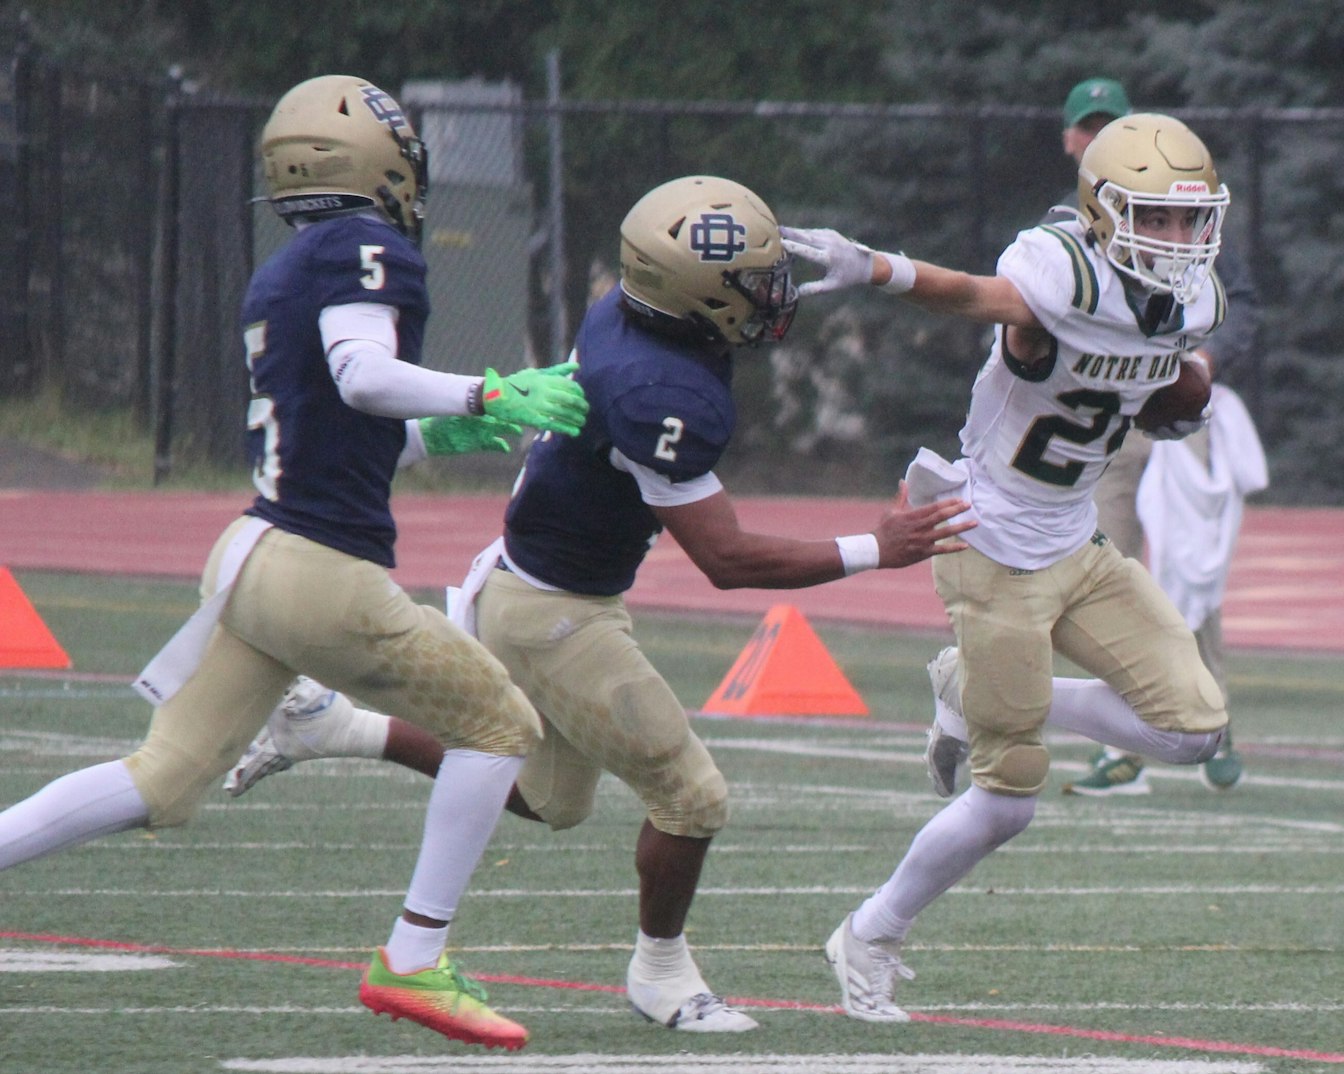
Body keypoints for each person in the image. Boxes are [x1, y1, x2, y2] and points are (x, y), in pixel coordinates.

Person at [221, 175, 976, 1033]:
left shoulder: (631, 311)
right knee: (694, 796)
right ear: (693, 298)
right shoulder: (664, 394)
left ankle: (334, 727)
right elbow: (725, 558)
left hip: (526, 580)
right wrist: (879, 548)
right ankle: (662, 974)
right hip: (555, 613)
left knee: (551, 800)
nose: (772, 296)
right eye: (753, 282)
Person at [0, 75, 593, 1051]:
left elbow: (341, 419)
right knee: (501, 724)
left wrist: (446, 435)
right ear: (379, 164)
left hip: (253, 552)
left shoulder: (285, 268)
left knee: (163, 779)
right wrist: (485, 396)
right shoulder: (370, 249)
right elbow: (363, 379)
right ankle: (414, 960)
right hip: (320, 569)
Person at [780, 111, 1232, 1022]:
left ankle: (969, 687)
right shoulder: (1060, 271)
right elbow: (972, 296)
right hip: (990, 547)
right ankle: (868, 933)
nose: (1179, 239)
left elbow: (1174, 371)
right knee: (1010, 800)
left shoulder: (1188, 299)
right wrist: (874, 267)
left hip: (1078, 544)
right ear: (1103, 211)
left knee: (1194, 728)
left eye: (1191, 220)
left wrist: (1186, 388)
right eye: (1158, 217)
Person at [1057, 77, 1264, 797]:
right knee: (1094, 574)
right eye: (1090, 127)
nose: (1101, 137)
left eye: (1114, 125)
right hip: (1101, 426)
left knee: (1189, 569)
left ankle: (1211, 710)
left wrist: (1202, 364)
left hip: (1174, 417)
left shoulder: (1182, 211)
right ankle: (1126, 739)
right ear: (1071, 140)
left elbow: (1238, 305)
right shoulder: (1057, 232)